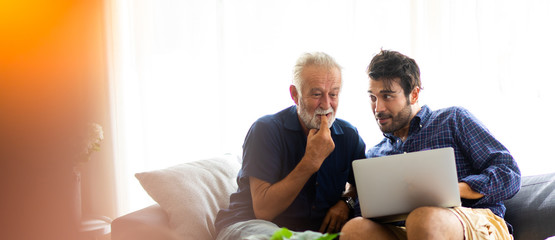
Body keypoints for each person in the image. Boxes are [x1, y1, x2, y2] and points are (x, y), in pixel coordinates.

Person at [340, 49, 521, 240]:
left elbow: (509, 173)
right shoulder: (375, 155)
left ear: (414, 94)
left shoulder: (453, 120)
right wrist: (348, 201)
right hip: (409, 230)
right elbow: (366, 211)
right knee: (354, 229)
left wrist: (452, 189)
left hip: (472, 221)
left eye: (387, 96)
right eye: (373, 97)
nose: (378, 108)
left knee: (423, 218)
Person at [214, 52, 366, 240]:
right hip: (251, 225)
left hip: (308, 235)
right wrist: (311, 161)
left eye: (333, 94)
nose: (326, 104)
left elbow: (363, 184)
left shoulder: (348, 136)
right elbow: (263, 210)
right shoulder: (266, 130)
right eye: (317, 94)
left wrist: (346, 202)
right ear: (295, 94)